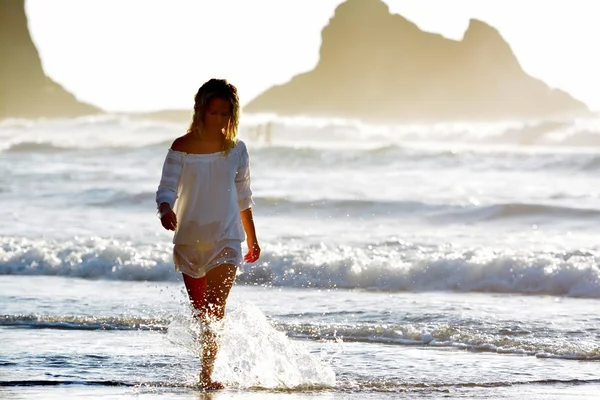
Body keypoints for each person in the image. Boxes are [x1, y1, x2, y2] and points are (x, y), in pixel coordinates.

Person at [155, 78, 261, 390]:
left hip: (227, 238)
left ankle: (206, 375)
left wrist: (252, 238)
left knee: (216, 310)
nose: (220, 120)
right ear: (201, 111)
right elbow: (166, 189)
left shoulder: (237, 151)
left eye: (226, 114)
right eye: (214, 113)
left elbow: (244, 198)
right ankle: (205, 370)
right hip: (190, 240)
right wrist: (165, 210)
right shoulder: (181, 148)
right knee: (202, 315)